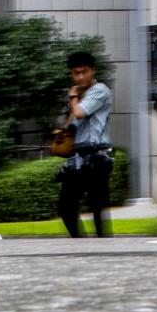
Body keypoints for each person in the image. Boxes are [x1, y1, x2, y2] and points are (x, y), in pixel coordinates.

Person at [55, 50, 114, 238]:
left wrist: (73, 96)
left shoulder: (100, 90)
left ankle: (104, 248)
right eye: (75, 73)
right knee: (65, 204)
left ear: (93, 70)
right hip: (77, 158)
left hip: (97, 156)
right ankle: (81, 243)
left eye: (84, 71)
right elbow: (73, 125)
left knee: (97, 206)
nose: (80, 77)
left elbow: (80, 113)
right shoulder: (80, 96)